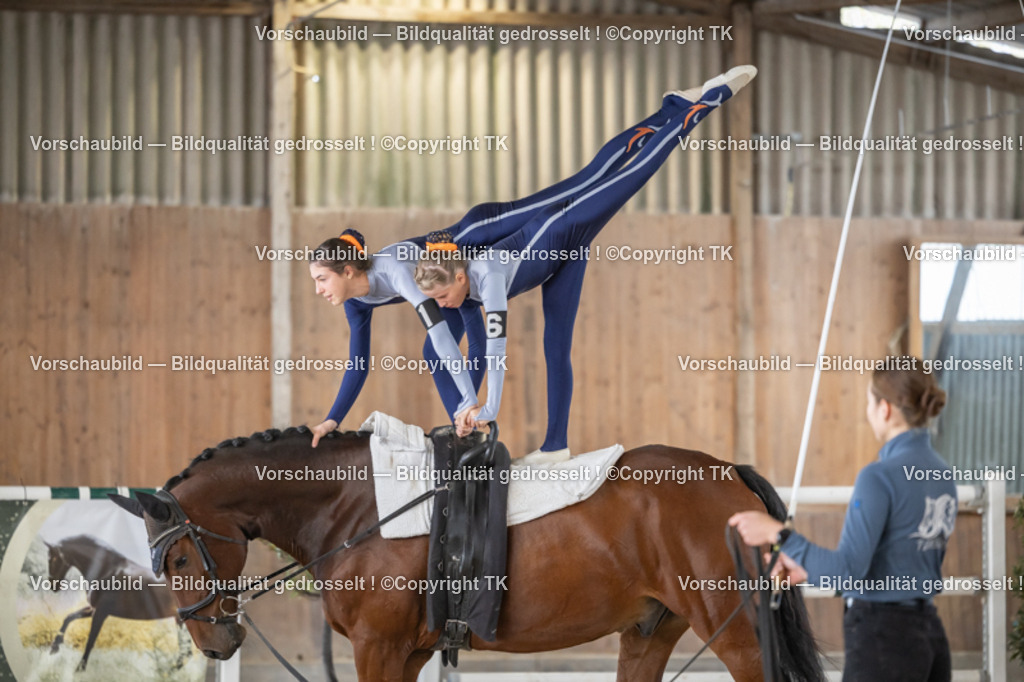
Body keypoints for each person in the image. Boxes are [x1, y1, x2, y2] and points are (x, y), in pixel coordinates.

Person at [308, 64, 757, 447]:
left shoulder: (405, 275)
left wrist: (478, 402)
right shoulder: (362, 300)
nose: (319, 291)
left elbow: (462, 337)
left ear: (348, 269)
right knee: (446, 346)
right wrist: (333, 418)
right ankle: (471, 427)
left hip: (481, 233)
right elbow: (360, 363)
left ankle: (682, 110)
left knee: (585, 185)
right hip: (464, 274)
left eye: (322, 280)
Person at [729, 357, 956, 682]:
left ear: (885, 409)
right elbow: (895, 564)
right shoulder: (942, 473)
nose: (867, 411)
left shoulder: (879, 477)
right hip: (930, 638)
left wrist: (780, 534)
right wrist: (807, 569)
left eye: (869, 402)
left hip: (883, 641)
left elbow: (848, 572)